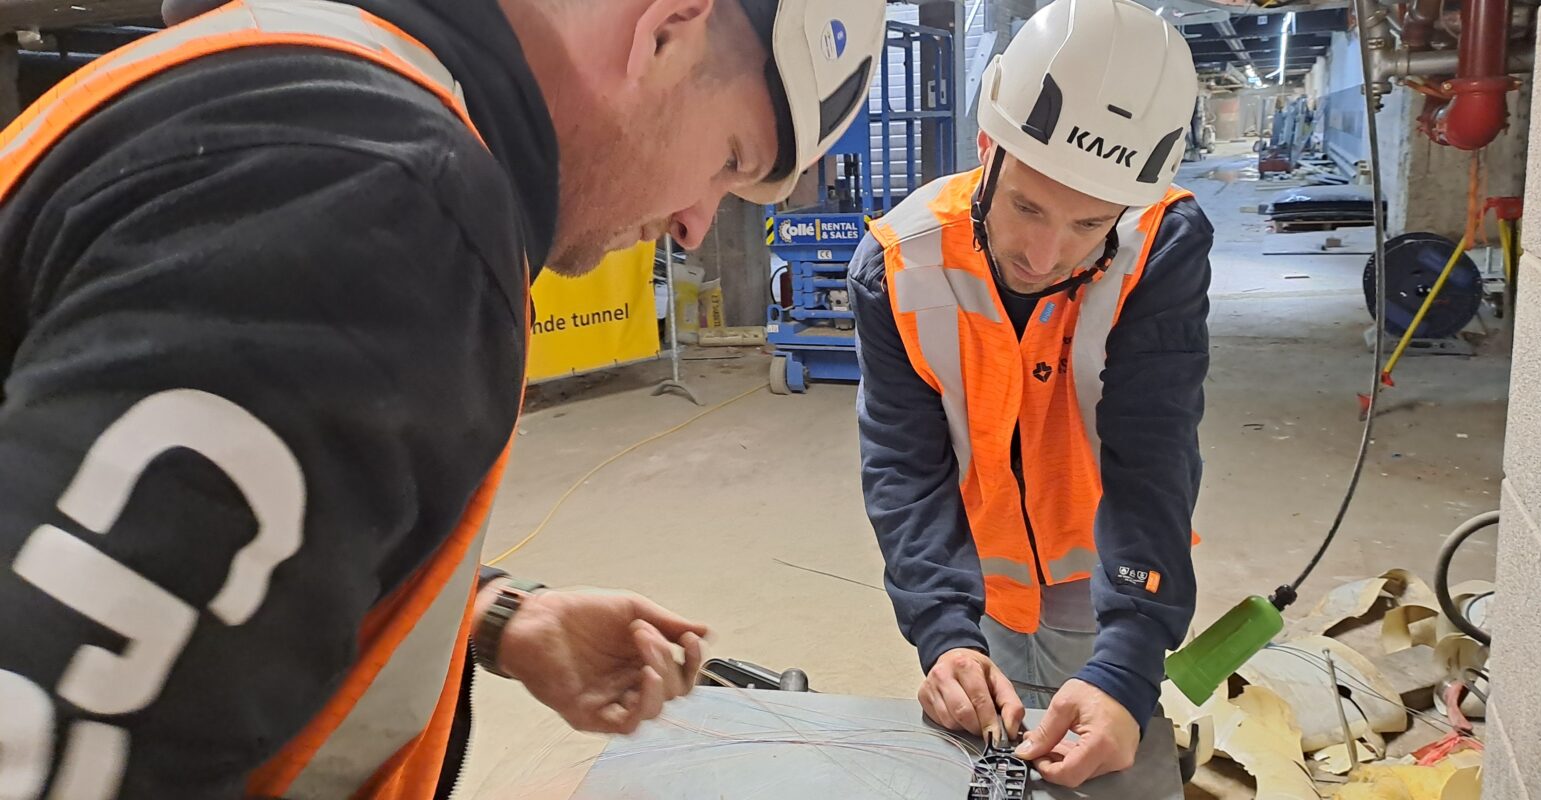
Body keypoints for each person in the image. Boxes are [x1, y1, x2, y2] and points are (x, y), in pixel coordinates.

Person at [0, 0, 884, 796]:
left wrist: (499, 615)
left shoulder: (317, 85)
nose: (696, 225)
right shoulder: (375, 200)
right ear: (666, 31)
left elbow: (196, 564)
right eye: (730, 159)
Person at [851, 0, 1210, 788]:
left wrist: (1127, 665)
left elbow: (1153, 456)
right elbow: (904, 466)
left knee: (1108, 753)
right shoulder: (900, 264)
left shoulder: (1161, 246)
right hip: (980, 579)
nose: (1045, 255)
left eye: (1089, 225)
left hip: (1104, 576)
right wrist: (944, 631)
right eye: (1026, 207)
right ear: (988, 147)